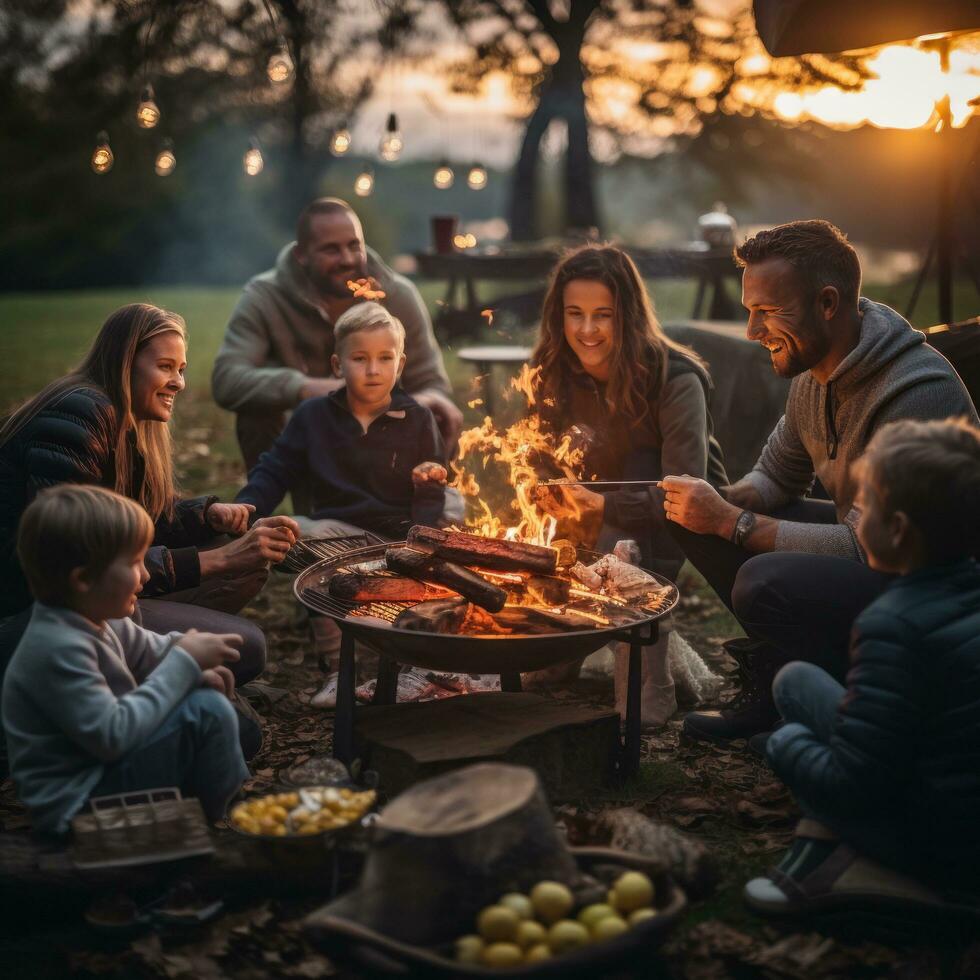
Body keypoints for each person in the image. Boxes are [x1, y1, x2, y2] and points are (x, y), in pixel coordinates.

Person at [661, 220, 977, 746]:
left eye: (767, 311)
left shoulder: (915, 393)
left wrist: (734, 522)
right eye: (749, 311)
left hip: (929, 590)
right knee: (690, 517)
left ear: (827, 304)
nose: (751, 331)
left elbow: (864, 547)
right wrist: (723, 503)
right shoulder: (814, 374)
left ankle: (833, 698)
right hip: (870, 554)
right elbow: (778, 476)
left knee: (763, 580)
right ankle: (780, 686)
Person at [744, 418, 980, 912]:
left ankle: (840, 873)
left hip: (943, 839)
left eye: (862, 506)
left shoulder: (893, 626)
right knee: (795, 680)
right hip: (939, 775)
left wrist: (788, 747)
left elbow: (853, 785)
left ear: (896, 531)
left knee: (787, 738)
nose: (853, 518)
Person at [0, 303, 300, 690]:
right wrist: (219, 560)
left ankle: (151, 664)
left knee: (238, 553)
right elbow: (82, 561)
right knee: (247, 646)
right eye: (165, 367)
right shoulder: (79, 415)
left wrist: (207, 516)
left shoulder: (122, 420)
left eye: (181, 369)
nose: (179, 382)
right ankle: (129, 676)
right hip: (31, 615)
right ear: (125, 362)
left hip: (86, 596)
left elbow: (133, 517)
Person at [531, 244, 728, 728]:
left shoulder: (675, 376)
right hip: (587, 516)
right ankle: (561, 642)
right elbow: (533, 454)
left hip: (675, 520)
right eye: (574, 314)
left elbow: (687, 490)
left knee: (624, 533)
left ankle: (645, 674)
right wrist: (546, 490)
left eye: (604, 315)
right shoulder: (552, 368)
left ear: (630, 315)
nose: (587, 330)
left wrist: (602, 505)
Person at [3, 485, 250, 836]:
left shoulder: (98, 618)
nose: (146, 575)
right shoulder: (56, 647)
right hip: (77, 809)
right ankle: (223, 822)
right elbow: (112, 735)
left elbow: (155, 649)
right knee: (206, 711)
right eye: (135, 564)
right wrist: (184, 664)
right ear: (83, 579)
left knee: (205, 700)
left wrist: (193, 659)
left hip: (105, 775)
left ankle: (213, 817)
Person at [211, 197, 463, 481]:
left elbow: (433, 383)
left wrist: (412, 406)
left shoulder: (397, 295)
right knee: (255, 415)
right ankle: (259, 515)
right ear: (301, 255)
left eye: (354, 245)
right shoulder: (264, 296)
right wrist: (306, 388)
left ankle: (425, 513)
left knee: (437, 413)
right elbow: (226, 378)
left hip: (386, 436)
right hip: (304, 437)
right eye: (331, 249)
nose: (347, 259)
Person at [235, 301, 451, 540]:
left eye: (385, 358)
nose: (373, 370)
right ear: (338, 366)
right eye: (359, 359)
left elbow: (432, 487)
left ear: (399, 365)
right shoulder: (312, 415)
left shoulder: (418, 418)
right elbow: (275, 470)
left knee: (454, 505)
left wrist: (421, 536)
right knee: (293, 531)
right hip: (339, 529)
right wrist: (246, 507)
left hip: (403, 531)